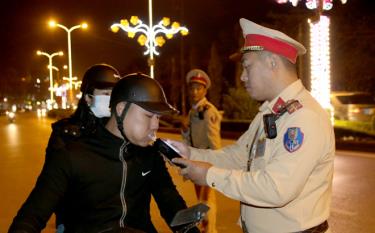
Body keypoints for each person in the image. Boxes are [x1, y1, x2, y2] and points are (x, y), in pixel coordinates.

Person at [170, 18, 335, 233]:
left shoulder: (304, 118)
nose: (242, 76)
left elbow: (275, 188)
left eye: (247, 67)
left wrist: (209, 175)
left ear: (272, 62)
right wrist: (191, 154)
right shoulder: (270, 112)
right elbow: (239, 156)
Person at [9, 73, 199, 233]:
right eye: (148, 116)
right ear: (121, 109)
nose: (155, 125)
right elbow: (32, 216)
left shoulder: (150, 157)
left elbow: (172, 205)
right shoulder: (72, 156)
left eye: (158, 117)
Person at [45, 63, 120, 232]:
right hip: (75, 222)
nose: (111, 99)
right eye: (106, 93)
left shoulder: (121, 130)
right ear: (88, 97)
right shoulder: (65, 134)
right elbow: (51, 187)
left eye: (114, 94)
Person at [181, 69, 221, 233]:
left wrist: (216, 164)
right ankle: (206, 228)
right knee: (201, 199)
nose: (195, 92)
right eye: (192, 88)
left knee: (207, 200)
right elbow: (189, 138)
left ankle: (210, 230)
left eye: (199, 88)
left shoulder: (208, 111)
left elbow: (214, 140)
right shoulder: (193, 111)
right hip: (196, 162)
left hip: (206, 163)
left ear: (205, 90)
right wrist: (184, 130)